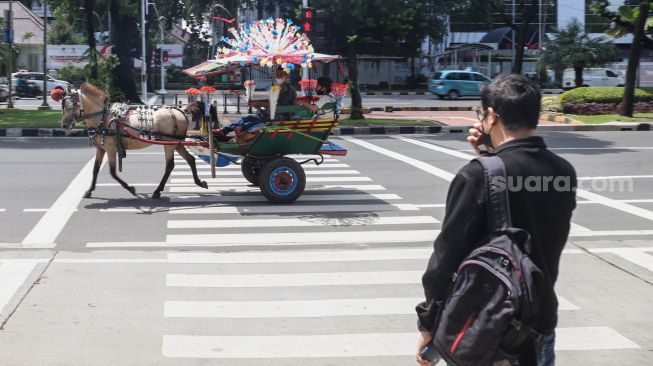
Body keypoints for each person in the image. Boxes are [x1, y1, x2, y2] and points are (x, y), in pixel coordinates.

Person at [415, 74, 577, 366]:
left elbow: (445, 256)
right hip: (540, 321)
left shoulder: (477, 175)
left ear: (491, 116)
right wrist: (491, 156)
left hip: (490, 330)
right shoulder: (563, 171)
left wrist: (428, 324)